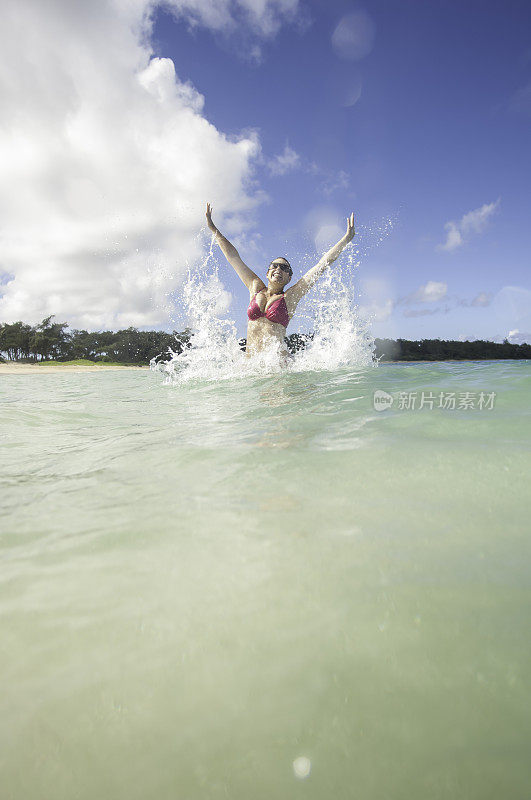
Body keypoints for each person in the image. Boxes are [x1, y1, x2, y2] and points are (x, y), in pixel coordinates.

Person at [205, 203, 355, 359]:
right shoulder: (255, 287)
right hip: (251, 365)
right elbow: (233, 258)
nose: (279, 269)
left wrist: (346, 239)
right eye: (275, 266)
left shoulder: (290, 297)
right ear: (268, 272)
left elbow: (321, 266)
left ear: (289, 278)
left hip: (278, 367)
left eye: (285, 268)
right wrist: (212, 227)